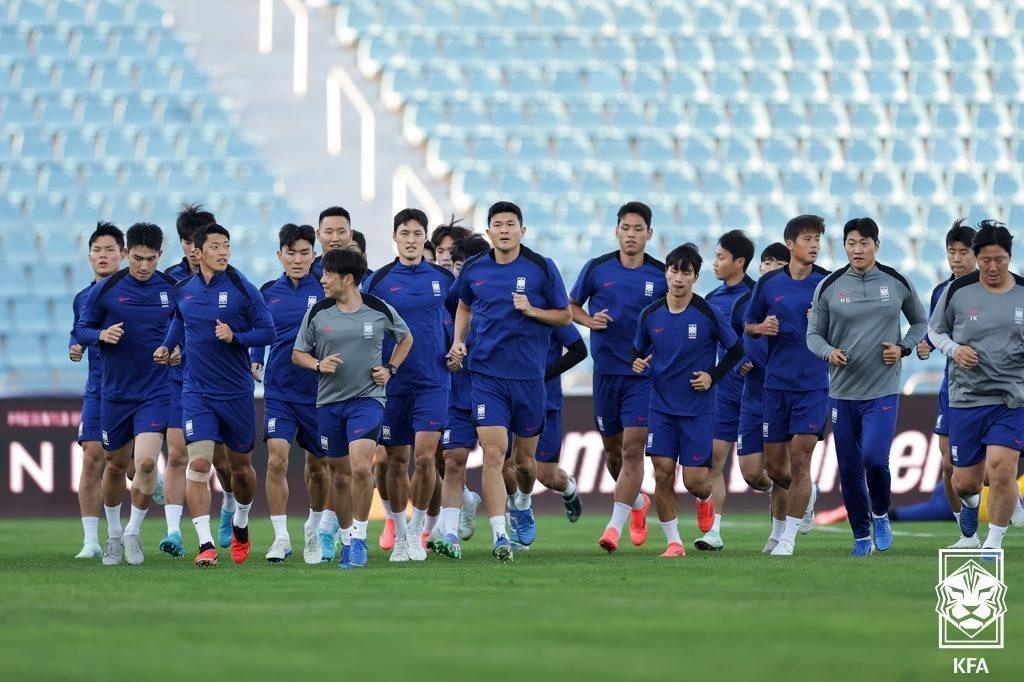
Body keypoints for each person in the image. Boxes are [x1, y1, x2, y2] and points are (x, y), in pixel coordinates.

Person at [449, 201, 572, 561]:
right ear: (489, 232)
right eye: (497, 225)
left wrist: (532, 309)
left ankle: (522, 502)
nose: (504, 230)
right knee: (493, 453)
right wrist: (459, 340)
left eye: (511, 224)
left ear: (522, 230)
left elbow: (565, 317)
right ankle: (500, 535)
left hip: (530, 379)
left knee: (524, 463)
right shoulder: (474, 268)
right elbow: (464, 306)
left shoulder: (541, 268)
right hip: (486, 375)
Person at [807, 218, 928, 556]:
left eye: (864, 243)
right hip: (842, 392)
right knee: (848, 467)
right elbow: (813, 335)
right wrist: (829, 352)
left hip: (883, 389)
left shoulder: (897, 281)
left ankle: (880, 514)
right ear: (843, 246)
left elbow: (920, 321)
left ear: (877, 245)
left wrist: (903, 348)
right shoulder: (829, 286)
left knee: (874, 458)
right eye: (851, 243)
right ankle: (861, 536)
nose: (857, 249)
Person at [156, 223, 276, 566]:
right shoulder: (184, 290)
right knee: (198, 463)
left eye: (227, 245)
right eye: (216, 246)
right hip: (196, 392)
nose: (224, 252)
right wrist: (167, 346)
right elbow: (179, 321)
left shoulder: (243, 288)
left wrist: (235, 336)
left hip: (236, 392)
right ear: (198, 250)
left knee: (241, 470)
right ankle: (205, 544)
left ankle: (240, 521)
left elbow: (267, 330)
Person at [293, 248, 412, 569]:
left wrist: (390, 369)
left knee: (361, 468)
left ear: (347, 279)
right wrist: (318, 364)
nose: (322, 279)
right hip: (328, 404)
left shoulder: (378, 309)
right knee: (340, 477)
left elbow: (406, 339)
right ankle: (347, 538)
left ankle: (358, 539)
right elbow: (298, 353)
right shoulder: (317, 311)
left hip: (368, 401)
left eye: (328, 274)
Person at [624, 243, 743, 557]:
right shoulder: (650, 314)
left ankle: (704, 500)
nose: (678, 278)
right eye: (674, 270)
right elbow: (637, 351)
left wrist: (712, 376)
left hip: (697, 410)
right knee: (662, 472)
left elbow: (737, 350)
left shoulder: (707, 312)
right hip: (661, 406)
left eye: (685, 272)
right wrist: (637, 362)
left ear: (695, 277)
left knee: (695, 482)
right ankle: (674, 543)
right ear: (666, 272)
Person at [75, 223, 177, 565]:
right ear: (126, 254)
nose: (144, 265)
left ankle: (132, 533)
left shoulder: (171, 289)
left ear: (160, 256)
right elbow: (82, 330)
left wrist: (177, 351)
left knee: (146, 462)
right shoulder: (105, 291)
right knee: (116, 466)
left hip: (155, 391)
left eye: (150, 259)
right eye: (137, 258)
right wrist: (101, 334)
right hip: (114, 393)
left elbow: (189, 331)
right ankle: (112, 537)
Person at [571, 201, 667, 552]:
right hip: (606, 374)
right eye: (625, 228)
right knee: (613, 453)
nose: (631, 234)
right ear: (617, 232)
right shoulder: (597, 269)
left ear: (649, 234)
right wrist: (588, 321)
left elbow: (674, 316)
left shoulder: (661, 274)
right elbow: (571, 305)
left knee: (632, 449)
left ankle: (613, 528)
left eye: (638, 229)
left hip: (642, 376)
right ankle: (638, 503)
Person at [364, 209, 455, 562]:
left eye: (418, 233)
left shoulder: (443, 279)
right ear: (395, 237)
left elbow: (460, 318)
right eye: (405, 233)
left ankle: (418, 533)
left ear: (425, 237)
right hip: (391, 385)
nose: (412, 239)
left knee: (425, 456)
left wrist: (457, 348)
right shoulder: (379, 280)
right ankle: (400, 534)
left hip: (433, 382)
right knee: (396, 461)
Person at [928, 221, 1024, 554]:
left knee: (1001, 468)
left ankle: (994, 542)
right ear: (977, 258)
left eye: (999, 259)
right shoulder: (957, 290)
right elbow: (935, 331)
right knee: (964, 481)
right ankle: (972, 507)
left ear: (1009, 257)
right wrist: (954, 349)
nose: (993, 267)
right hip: (966, 398)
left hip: (1011, 399)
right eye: (986, 260)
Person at [744, 215, 830, 556]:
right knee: (777, 467)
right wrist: (761, 327)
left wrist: (823, 325)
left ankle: (789, 537)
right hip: (775, 385)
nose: (814, 245)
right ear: (790, 244)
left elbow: (843, 331)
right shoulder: (768, 285)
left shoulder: (828, 283)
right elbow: (749, 325)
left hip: (812, 385)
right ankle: (808, 493)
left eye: (817, 240)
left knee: (802, 459)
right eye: (807, 239)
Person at [249, 224, 330, 564]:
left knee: (319, 468)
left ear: (314, 255)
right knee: (277, 460)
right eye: (291, 253)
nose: (297, 259)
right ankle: (281, 537)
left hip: (321, 392)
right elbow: (257, 331)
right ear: (279, 255)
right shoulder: (267, 292)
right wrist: (255, 359)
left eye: (304, 253)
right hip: (280, 391)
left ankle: (313, 527)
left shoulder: (327, 289)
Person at [159, 203, 236, 557]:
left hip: (220, 382)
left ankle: (230, 505)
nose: (193, 247)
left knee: (223, 461)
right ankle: (174, 531)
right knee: (180, 456)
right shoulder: (170, 280)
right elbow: (168, 325)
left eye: (198, 240)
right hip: (181, 382)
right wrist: (169, 348)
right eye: (187, 240)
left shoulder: (231, 281)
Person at [916, 220, 981, 548]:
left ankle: (1006, 494)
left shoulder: (991, 289)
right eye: (951, 252)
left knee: (983, 463)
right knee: (947, 462)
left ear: (977, 254)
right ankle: (966, 534)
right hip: (951, 386)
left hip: (988, 387)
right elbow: (933, 331)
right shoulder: (941, 291)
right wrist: (925, 345)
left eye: (963, 252)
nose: (956, 258)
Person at [70, 222, 125, 558]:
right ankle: (91, 539)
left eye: (109, 250)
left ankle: (122, 532)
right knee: (92, 457)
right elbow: (79, 332)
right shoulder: (83, 298)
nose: (102, 255)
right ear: (89, 256)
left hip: (132, 389)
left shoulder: (135, 292)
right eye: (97, 250)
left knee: (122, 462)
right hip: (98, 388)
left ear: (122, 254)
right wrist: (76, 345)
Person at [433, 236, 490, 559]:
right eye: (456, 265)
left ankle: (505, 527)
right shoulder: (443, 301)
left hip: (494, 391)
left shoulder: (493, 301)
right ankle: (449, 530)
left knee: (505, 464)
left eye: (465, 266)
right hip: (453, 393)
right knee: (450, 459)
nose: (459, 271)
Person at [699, 229, 756, 551]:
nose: (715, 263)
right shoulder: (712, 300)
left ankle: (802, 491)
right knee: (714, 461)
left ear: (740, 262)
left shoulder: (758, 296)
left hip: (758, 392)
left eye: (721, 257)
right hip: (723, 391)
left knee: (761, 474)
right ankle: (714, 531)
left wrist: (753, 360)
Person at [732, 243, 790, 552]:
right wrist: (737, 363)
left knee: (780, 470)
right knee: (752, 474)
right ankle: (803, 491)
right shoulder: (744, 305)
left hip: (782, 397)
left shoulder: (795, 305)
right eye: (766, 262)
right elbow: (729, 341)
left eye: (778, 264)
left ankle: (778, 535)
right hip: (752, 398)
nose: (769, 268)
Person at [311, 206, 353, 277]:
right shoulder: (307, 271)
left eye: (341, 232)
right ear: (318, 235)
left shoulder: (365, 276)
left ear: (350, 235)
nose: (335, 238)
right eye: (329, 232)